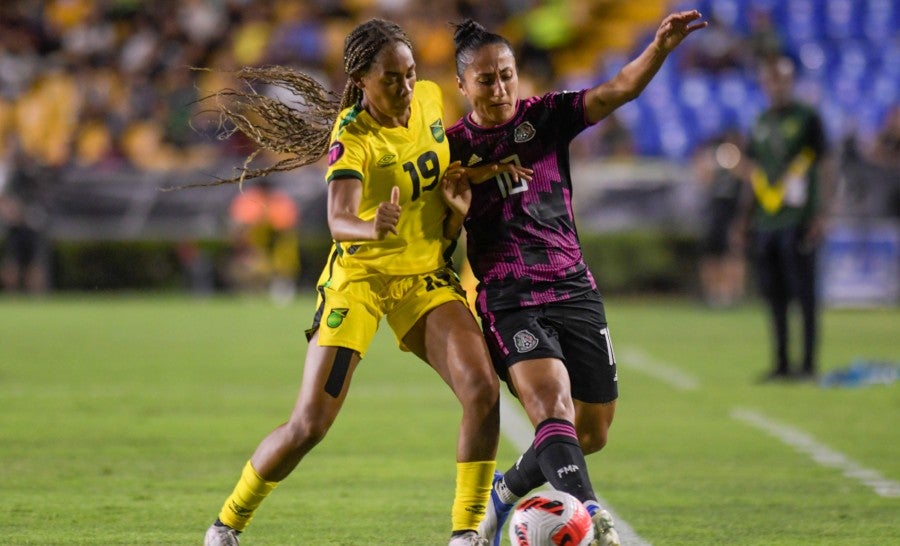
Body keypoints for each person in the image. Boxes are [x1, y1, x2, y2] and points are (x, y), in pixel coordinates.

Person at [203, 19, 528, 546]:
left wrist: (464, 195)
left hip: (423, 278)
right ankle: (227, 523)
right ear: (360, 81)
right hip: (359, 281)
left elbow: (445, 174)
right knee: (310, 426)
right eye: (390, 78)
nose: (404, 86)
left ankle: (467, 533)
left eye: (409, 73)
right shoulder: (352, 136)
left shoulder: (429, 99)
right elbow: (338, 217)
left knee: (481, 389)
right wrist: (370, 224)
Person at [440, 11, 707, 546]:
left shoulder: (547, 117)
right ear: (463, 84)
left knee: (592, 431)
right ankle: (592, 515)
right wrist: (453, 206)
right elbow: (440, 242)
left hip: (574, 287)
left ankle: (507, 488)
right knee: (552, 406)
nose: (500, 86)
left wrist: (657, 48)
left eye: (507, 73)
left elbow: (616, 91)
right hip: (509, 296)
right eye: (487, 78)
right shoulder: (449, 150)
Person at [737, 56, 832, 382]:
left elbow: (826, 164)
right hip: (767, 222)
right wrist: (744, 219)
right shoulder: (760, 122)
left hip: (799, 219)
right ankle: (781, 364)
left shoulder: (808, 118)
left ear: (791, 83)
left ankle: (807, 365)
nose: (776, 86)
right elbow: (752, 172)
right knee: (774, 296)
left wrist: (822, 212)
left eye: (782, 80)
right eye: (770, 80)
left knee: (804, 295)